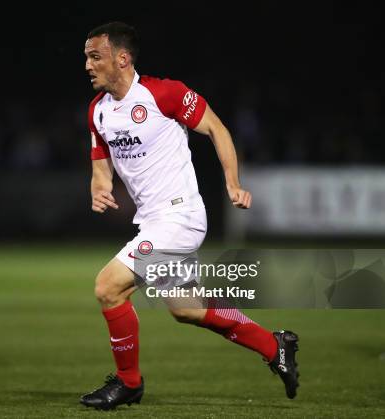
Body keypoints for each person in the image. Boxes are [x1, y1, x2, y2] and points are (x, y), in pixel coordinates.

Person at [80, 22, 299, 410]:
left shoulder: (164, 93)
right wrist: (99, 186)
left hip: (180, 217)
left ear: (122, 58)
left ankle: (129, 383)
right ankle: (274, 345)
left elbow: (216, 128)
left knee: (108, 287)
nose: (87, 65)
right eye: (86, 57)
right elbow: (101, 163)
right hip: (153, 221)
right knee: (188, 309)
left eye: (95, 56)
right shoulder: (98, 112)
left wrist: (232, 182)